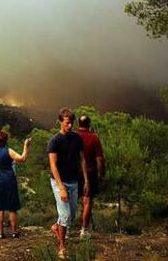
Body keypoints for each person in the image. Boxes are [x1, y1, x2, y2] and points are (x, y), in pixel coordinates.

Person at [47, 108, 89, 259]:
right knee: (65, 215)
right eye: (66, 123)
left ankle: (56, 227)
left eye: (71, 123)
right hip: (59, 182)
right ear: (60, 121)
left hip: (74, 181)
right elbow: (53, 165)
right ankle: (62, 247)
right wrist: (61, 187)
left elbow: (82, 159)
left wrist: (86, 180)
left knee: (70, 215)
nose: (69, 125)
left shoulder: (77, 138)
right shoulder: (54, 141)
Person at [0, 130, 31, 238]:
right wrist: (26, 145)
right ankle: (14, 232)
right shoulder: (8, 151)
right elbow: (22, 158)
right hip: (9, 181)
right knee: (12, 208)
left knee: (0, 207)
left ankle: (0, 233)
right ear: (5, 140)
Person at [76, 115, 105, 240]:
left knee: (70, 201)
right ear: (89, 124)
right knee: (87, 201)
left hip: (74, 173)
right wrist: (101, 173)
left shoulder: (73, 136)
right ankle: (84, 230)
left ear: (78, 123)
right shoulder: (94, 137)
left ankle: (64, 230)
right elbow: (99, 159)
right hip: (90, 173)